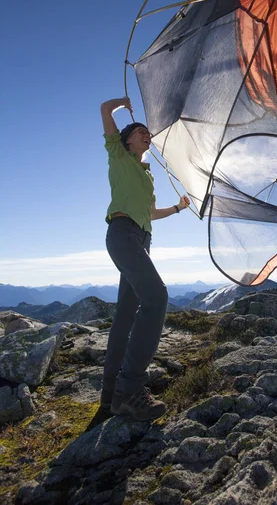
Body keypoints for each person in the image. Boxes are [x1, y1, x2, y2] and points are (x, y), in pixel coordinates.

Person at [99, 96, 190, 421]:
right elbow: (104, 111)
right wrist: (121, 105)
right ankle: (130, 389)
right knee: (156, 297)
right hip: (123, 234)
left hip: (140, 238)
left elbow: (151, 213)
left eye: (146, 132)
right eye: (140, 131)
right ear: (126, 141)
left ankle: (111, 395)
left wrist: (179, 208)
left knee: (126, 314)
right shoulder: (119, 156)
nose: (146, 133)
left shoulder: (146, 175)